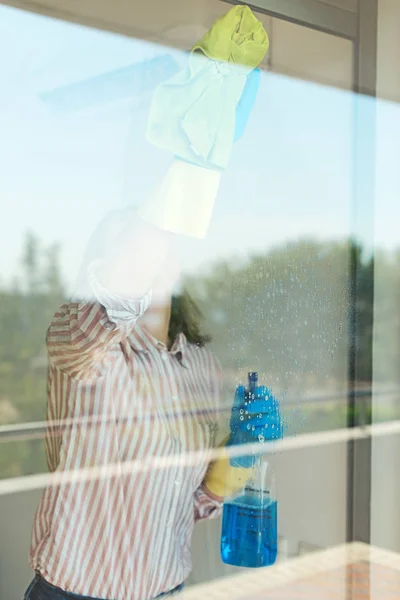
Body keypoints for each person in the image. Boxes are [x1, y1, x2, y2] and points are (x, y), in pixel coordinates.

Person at [24, 7, 271, 600]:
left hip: (164, 588)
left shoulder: (199, 367)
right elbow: (127, 282)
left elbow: (184, 506)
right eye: (128, 242)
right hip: (74, 593)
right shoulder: (83, 343)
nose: (156, 248)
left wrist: (235, 460)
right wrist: (191, 158)